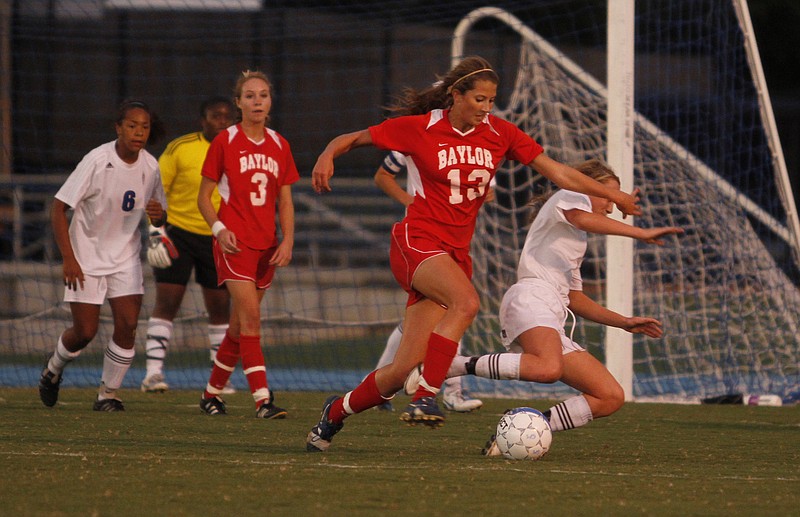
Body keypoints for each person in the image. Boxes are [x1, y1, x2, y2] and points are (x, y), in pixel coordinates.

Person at [306, 55, 641, 452]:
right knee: (466, 302)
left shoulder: (500, 133)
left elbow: (559, 173)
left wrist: (612, 194)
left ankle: (336, 412)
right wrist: (328, 153)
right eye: (479, 99)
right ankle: (427, 396)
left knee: (400, 370)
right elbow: (352, 138)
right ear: (456, 95)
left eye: (491, 100)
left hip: (454, 252)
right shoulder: (419, 128)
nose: (486, 107)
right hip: (417, 240)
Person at [402, 159, 682, 453]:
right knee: (548, 368)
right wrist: (641, 234)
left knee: (609, 396)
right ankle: (450, 366)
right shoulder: (569, 197)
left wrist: (622, 322)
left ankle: (527, 430)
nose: (611, 206)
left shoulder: (576, 239)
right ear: (587, 186)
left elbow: (574, 297)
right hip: (531, 299)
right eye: (608, 197)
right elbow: (583, 218)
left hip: (551, 313)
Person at [38, 99, 167, 411]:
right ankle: (53, 370)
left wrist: (158, 216)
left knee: (128, 324)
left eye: (145, 126)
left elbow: (159, 216)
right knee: (85, 332)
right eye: (132, 125)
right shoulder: (97, 160)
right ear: (118, 128)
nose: (139, 132)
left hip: (125, 258)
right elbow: (58, 208)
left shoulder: (150, 166)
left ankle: (107, 394)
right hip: (85, 258)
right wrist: (68, 258)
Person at [197, 70, 298, 419]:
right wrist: (219, 229)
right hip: (235, 245)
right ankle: (263, 401)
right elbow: (204, 198)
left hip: (266, 246)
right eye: (251, 96)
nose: (258, 101)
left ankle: (211, 395)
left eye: (264, 95)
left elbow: (285, 200)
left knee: (240, 328)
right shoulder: (225, 141)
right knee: (252, 320)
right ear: (238, 102)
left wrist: (287, 240)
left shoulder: (279, 144)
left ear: (271, 102)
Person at [373, 150, 482, 413]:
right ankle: (451, 390)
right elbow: (382, 175)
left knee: (428, 320)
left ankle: (378, 388)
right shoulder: (415, 136)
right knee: (458, 306)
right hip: (424, 238)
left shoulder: (473, 147)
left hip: (453, 238)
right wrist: (409, 201)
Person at [141, 96, 236, 394]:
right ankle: (153, 374)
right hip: (178, 232)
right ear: (202, 121)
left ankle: (218, 379)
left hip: (218, 236)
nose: (222, 120)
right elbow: (155, 190)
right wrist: (156, 231)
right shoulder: (180, 148)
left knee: (220, 307)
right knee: (168, 301)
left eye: (226, 116)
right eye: (215, 116)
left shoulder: (237, 149)